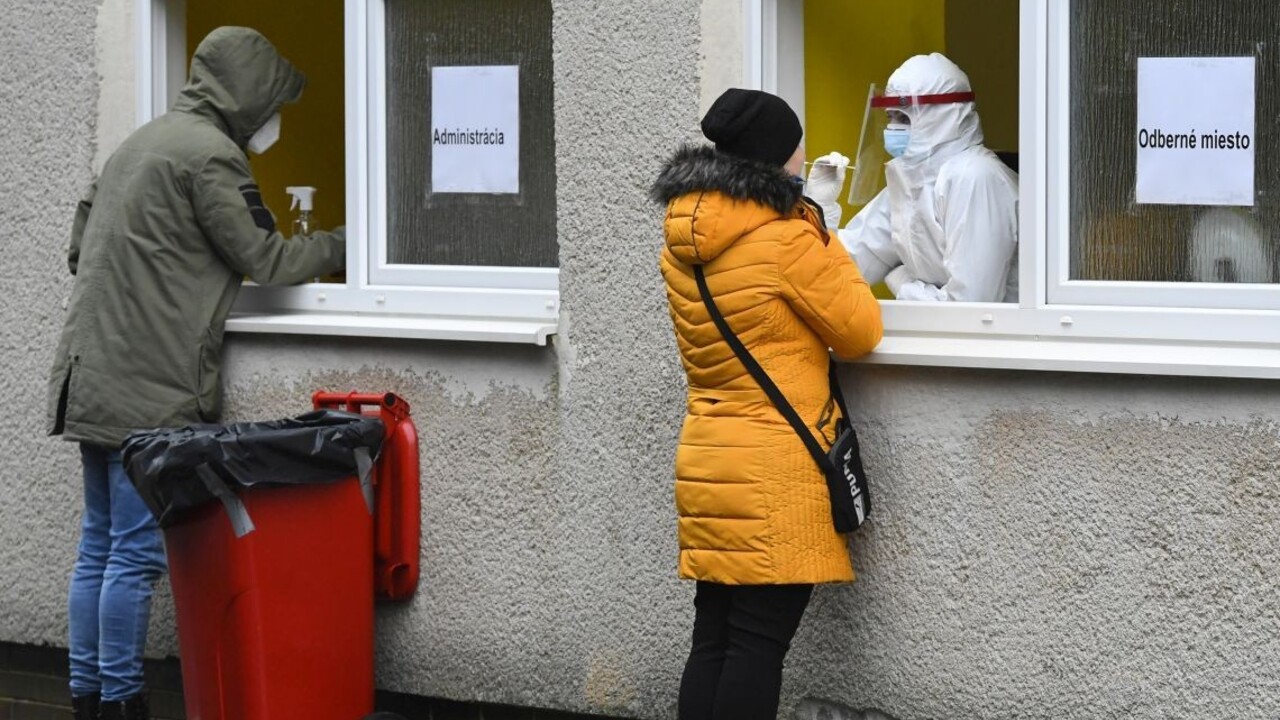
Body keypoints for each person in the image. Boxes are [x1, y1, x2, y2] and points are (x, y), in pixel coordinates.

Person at [47, 27, 346, 720]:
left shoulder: (140, 143)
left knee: (97, 546)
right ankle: (121, 701)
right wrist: (341, 242)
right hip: (145, 385)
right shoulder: (211, 156)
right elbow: (264, 259)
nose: (274, 122)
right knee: (133, 557)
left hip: (89, 370)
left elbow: (77, 248)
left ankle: (88, 696)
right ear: (246, 98)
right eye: (272, 104)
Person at [650, 88, 883, 720]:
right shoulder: (785, 241)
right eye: (797, 150)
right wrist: (819, 227)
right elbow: (860, 331)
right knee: (757, 647)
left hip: (709, 464)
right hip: (775, 474)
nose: (804, 159)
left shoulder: (685, 238)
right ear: (776, 160)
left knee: (715, 641)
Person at [807, 52, 1019, 302]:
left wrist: (902, 283)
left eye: (904, 117)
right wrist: (818, 209)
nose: (893, 127)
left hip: (1001, 339)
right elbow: (843, 269)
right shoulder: (910, 180)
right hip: (938, 335)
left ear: (943, 116)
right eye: (890, 117)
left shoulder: (975, 178)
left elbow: (970, 305)